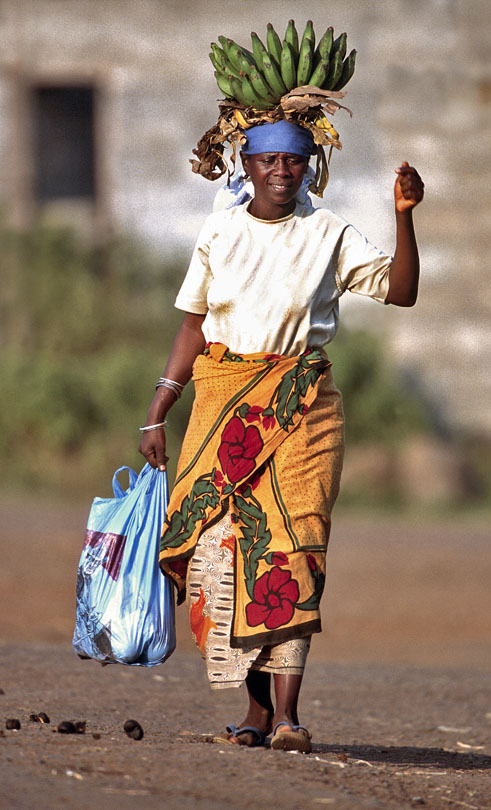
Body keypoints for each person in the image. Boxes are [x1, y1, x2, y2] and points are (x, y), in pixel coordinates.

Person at [139, 118, 424, 753]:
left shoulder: (328, 233)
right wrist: (159, 408)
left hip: (303, 409)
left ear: (310, 168)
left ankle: (289, 715)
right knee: (228, 550)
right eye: (267, 160)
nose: (280, 173)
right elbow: (192, 327)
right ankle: (255, 711)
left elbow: (401, 292)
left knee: (296, 551)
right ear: (246, 163)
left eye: (293, 163)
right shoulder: (220, 230)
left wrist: (403, 216)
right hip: (223, 406)